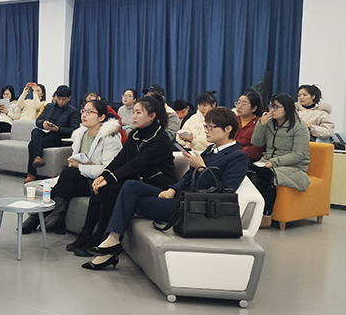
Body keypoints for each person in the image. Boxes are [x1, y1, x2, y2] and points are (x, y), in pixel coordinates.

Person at [85, 107, 249, 270]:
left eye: (210, 127)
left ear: (228, 129)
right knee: (130, 186)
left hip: (193, 208)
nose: (206, 130)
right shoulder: (210, 150)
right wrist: (173, 189)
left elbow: (225, 192)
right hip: (181, 198)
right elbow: (187, 177)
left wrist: (201, 168)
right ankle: (112, 240)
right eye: (205, 126)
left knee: (129, 200)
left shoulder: (238, 156)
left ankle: (109, 249)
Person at [70, 94, 176, 256]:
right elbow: (121, 159)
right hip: (139, 181)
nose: (134, 116)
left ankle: (100, 239)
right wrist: (103, 176)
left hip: (158, 187)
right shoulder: (135, 134)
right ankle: (87, 234)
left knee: (112, 187)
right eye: (133, 112)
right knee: (103, 188)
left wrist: (109, 179)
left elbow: (136, 164)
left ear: (152, 116)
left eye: (139, 112)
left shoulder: (160, 139)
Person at [21, 99, 123, 236]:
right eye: (83, 111)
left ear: (101, 117)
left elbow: (109, 169)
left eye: (89, 112)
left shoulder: (110, 137)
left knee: (67, 174)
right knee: (66, 178)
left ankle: (41, 217)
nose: (84, 115)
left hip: (98, 182)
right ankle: (53, 217)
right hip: (80, 177)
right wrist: (77, 164)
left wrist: (80, 167)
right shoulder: (80, 134)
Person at [250, 93, 311, 227]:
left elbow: (299, 154)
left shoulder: (299, 127)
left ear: (287, 108)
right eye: (270, 106)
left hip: (293, 166)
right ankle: (250, 214)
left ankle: (266, 215)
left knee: (266, 175)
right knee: (248, 171)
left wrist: (274, 162)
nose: (271, 110)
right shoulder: (269, 123)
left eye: (276, 107)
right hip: (267, 161)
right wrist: (261, 124)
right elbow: (256, 143)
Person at [25, 85, 80, 183]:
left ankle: (32, 174)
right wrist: (43, 123)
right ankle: (37, 158)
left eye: (64, 99)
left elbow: (74, 130)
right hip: (46, 133)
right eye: (59, 99)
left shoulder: (73, 111)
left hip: (59, 138)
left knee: (32, 144)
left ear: (69, 98)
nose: (61, 101)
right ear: (56, 97)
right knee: (35, 131)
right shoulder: (49, 107)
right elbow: (38, 121)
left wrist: (58, 129)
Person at [234, 91, 265, 161]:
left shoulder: (260, 124)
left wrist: (235, 152)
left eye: (244, 104)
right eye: (238, 103)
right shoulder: (233, 120)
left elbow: (257, 150)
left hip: (246, 159)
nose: (239, 106)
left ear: (254, 108)